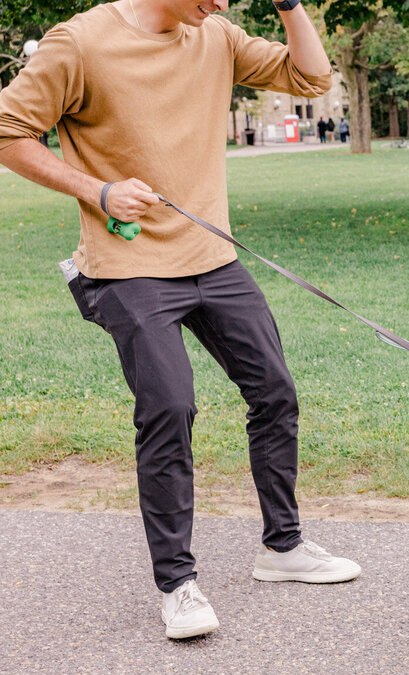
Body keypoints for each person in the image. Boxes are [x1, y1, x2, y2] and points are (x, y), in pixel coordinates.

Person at [0, 0, 362, 641]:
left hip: (213, 257)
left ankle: (283, 548)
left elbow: (311, 80)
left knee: (274, 392)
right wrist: (97, 190)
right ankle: (177, 585)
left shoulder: (213, 33)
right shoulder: (80, 43)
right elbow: (8, 129)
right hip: (127, 264)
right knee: (170, 408)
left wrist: (291, 7)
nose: (223, 2)